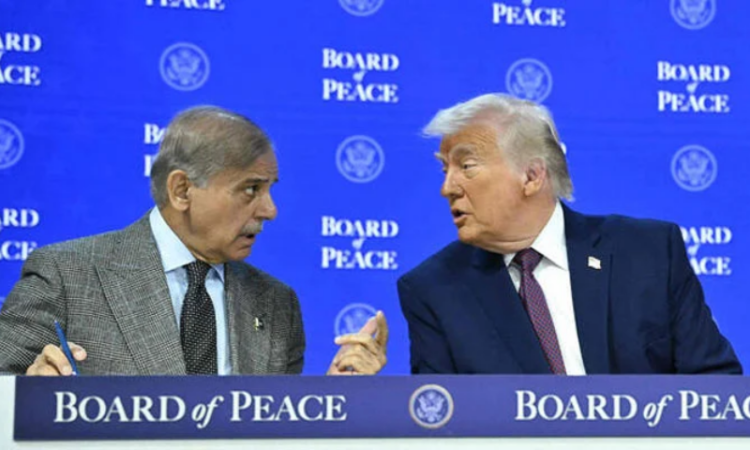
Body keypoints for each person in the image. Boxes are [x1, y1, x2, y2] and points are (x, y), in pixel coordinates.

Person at [0, 106, 387, 376]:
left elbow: (277, 434)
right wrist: (28, 394)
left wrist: (334, 397)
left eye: (270, 189)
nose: (270, 210)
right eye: (251, 189)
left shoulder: (276, 304)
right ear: (182, 190)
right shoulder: (68, 276)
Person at [397, 93, 741, 375]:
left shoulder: (647, 252)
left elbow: (714, 386)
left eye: (466, 166)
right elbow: (439, 417)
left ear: (532, 176)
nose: (447, 188)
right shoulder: (434, 289)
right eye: (445, 168)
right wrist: (369, 393)